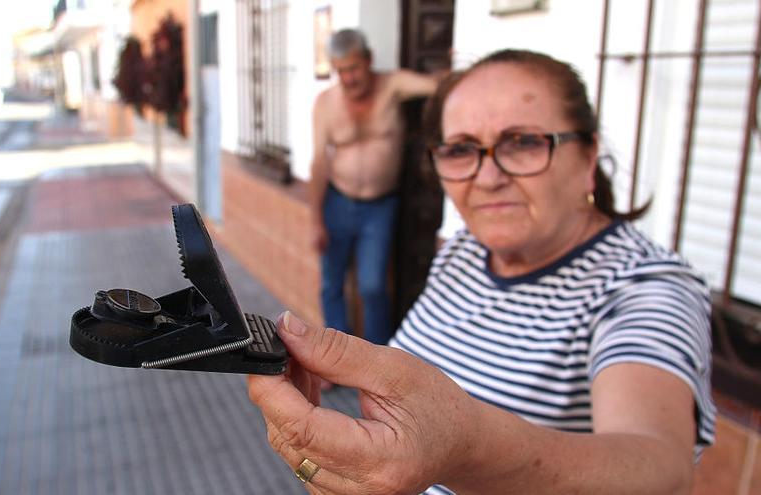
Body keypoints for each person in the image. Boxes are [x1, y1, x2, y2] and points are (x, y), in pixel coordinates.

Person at [249, 48, 715, 494]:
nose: (488, 178)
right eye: (460, 149)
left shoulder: (643, 287)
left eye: (524, 142)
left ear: (588, 158)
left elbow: (660, 471)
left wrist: (464, 452)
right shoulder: (465, 251)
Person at [310, 28, 439, 346]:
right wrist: (315, 220)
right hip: (337, 202)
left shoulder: (391, 85)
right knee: (331, 283)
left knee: (372, 286)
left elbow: (437, 85)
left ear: (368, 60)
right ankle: (335, 358)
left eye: (353, 68)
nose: (348, 78)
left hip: (379, 207)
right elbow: (319, 163)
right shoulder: (326, 103)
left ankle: (377, 360)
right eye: (341, 71)